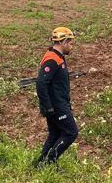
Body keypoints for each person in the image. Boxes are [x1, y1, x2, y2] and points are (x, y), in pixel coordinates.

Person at [34, 27, 79, 167]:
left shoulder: (58, 57)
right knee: (71, 132)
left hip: (58, 104)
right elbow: (41, 83)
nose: (72, 46)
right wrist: (48, 107)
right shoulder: (52, 59)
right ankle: (50, 161)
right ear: (63, 42)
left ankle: (40, 164)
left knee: (55, 133)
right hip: (56, 106)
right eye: (71, 43)